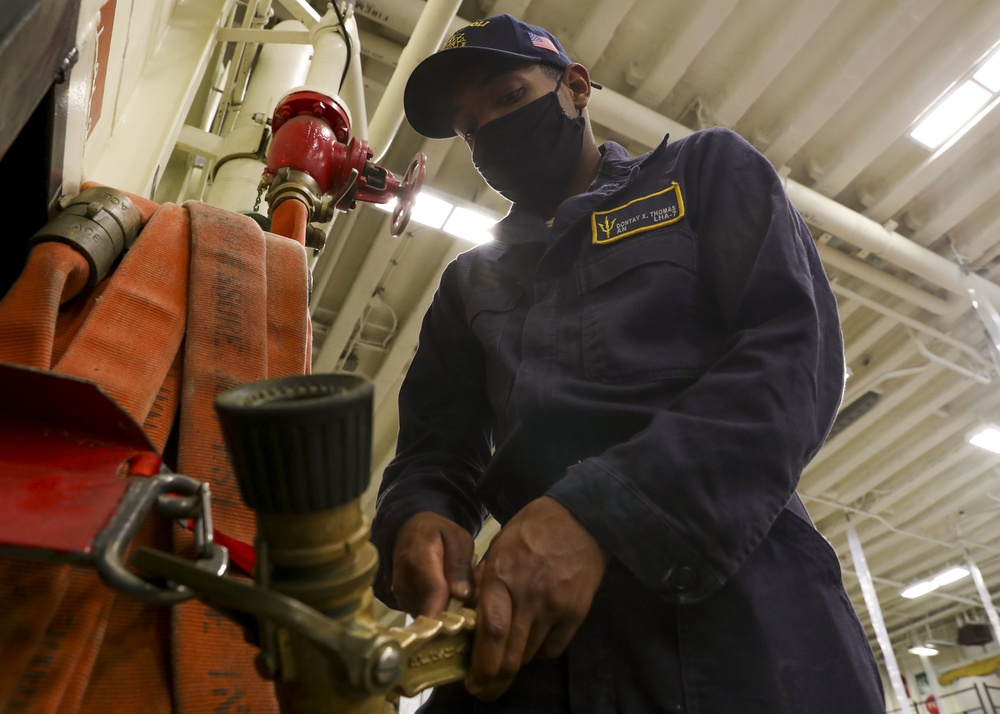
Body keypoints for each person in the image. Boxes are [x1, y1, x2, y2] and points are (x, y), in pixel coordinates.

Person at [371, 13, 885, 713]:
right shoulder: (469, 284)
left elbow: (792, 358)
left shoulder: (703, 173)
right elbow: (436, 443)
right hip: (536, 630)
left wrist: (603, 514)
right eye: (467, 126)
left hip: (736, 608)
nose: (486, 130)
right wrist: (420, 517)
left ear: (576, 88)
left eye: (507, 96)